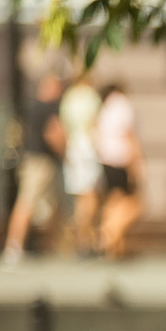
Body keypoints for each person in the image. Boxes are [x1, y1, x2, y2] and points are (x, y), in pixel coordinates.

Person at [1, 73, 67, 267]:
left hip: (33, 160)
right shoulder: (48, 108)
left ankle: (62, 246)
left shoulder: (31, 107)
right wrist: (65, 152)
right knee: (27, 203)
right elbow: (53, 134)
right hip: (41, 163)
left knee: (55, 205)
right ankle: (13, 247)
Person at [92, 82, 145, 259]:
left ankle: (115, 247)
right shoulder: (122, 105)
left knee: (113, 202)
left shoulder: (106, 107)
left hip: (106, 159)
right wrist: (136, 163)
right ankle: (109, 235)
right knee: (135, 204)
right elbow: (128, 134)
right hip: (121, 160)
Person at [56, 74, 101, 257]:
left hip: (72, 148)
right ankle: (79, 229)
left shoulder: (69, 97)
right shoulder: (91, 96)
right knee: (90, 196)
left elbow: (62, 126)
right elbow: (95, 124)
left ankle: (84, 241)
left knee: (80, 196)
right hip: (88, 147)